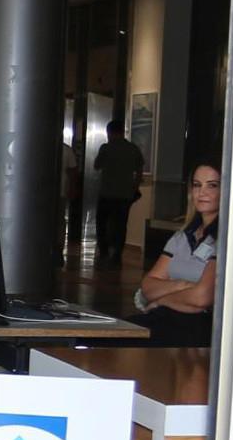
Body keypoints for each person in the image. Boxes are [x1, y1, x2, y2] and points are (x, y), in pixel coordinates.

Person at [135, 162, 221, 345]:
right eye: (197, 185)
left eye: (212, 185)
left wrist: (162, 300)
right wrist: (182, 285)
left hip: (198, 327)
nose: (202, 192)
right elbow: (148, 286)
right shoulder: (182, 236)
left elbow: (202, 298)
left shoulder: (225, 239)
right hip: (166, 318)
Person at [91, 117, 147, 268]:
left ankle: (103, 252)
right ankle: (117, 254)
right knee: (121, 225)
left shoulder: (106, 148)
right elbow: (139, 170)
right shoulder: (133, 149)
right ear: (123, 132)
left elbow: (96, 165)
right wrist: (134, 187)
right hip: (125, 194)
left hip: (106, 193)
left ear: (109, 132)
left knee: (102, 223)